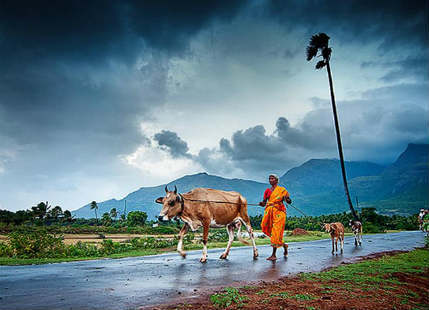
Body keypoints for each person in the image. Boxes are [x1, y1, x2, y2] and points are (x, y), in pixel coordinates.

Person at [259, 174, 292, 261]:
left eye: (272, 178)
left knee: (276, 231)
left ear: (277, 180)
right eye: (269, 178)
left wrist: (286, 199)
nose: (270, 180)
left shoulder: (282, 190)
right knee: (264, 226)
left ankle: (274, 254)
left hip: (279, 212)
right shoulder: (267, 191)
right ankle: (284, 245)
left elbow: (289, 201)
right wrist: (261, 204)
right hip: (269, 212)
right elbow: (264, 202)